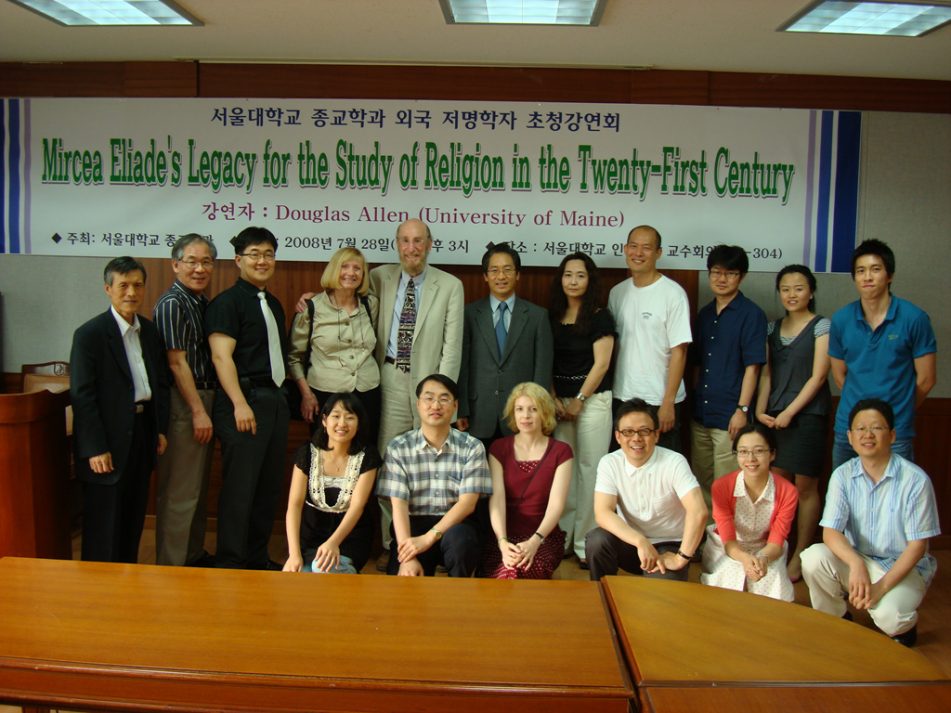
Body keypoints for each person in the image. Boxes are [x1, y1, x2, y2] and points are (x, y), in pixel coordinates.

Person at [801, 399, 941, 647]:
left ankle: (904, 627)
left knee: (892, 617)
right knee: (813, 558)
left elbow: (918, 546)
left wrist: (880, 587)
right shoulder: (843, 475)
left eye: (876, 428)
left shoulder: (915, 480)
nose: (868, 435)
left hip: (902, 566)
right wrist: (855, 563)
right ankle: (836, 617)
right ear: (850, 437)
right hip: (860, 559)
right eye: (860, 429)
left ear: (892, 435)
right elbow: (831, 532)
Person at [369, 218, 464, 566]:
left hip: (431, 384)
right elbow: (341, 293)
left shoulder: (450, 285)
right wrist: (311, 298)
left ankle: (432, 541)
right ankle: (392, 543)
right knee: (389, 460)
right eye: (405, 241)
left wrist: (441, 395)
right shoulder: (378, 277)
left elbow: (451, 347)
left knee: (429, 460)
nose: (412, 248)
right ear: (397, 244)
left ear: (430, 244)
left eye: (418, 241)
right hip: (391, 377)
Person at [70, 256, 169, 562]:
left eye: (137, 285)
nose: (131, 292)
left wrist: (160, 429)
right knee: (104, 525)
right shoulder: (90, 335)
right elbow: (83, 396)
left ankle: (127, 585)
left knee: (132, 518)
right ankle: (98, 595)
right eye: (123, 285)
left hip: (141, 435)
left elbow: (160, 385)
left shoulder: (149, 332)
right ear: (108, 289)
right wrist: (95, 447)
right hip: (106, 442)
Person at [206, 226, 289, 570]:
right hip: (244, 401)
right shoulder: (227, 303)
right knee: (240, 488)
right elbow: (221, 357)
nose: (262, 261)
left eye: (268, 254)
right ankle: (231, 561)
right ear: (238, 259)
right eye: (254, 254)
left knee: (267, 487)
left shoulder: (273, 303)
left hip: (275, 401)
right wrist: (240, 403)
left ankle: (256, 557)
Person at [828, 239, 936, 468]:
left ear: (890, 275)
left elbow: (926, 379)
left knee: (895, 500)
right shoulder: (840, 320)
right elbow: (840, 377)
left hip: (894, 429)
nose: (867, 277)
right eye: (860, 271)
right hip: (849, 428)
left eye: (875, 269)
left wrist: (898, 409)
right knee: (846, 497)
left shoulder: (914, 318)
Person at [755, 264, 831, 582]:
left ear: (811, 291)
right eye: (785, 288)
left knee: (806, 487)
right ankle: (779, 548)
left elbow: (819, 375)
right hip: (773, 418)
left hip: (808, 416)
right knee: (779, 486)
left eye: (798, 288)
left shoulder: (821, 326)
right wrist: (760, 411)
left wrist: (791, 412)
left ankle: (800, 553)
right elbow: (767, 373)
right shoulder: (772, 329)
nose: (791, 294)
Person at [375, 374, 491, 577]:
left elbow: (467, 504)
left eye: (444, 399)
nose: (436, 405)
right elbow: (398, 505)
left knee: (461, 543)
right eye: (429, 398)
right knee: (402, 587)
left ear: (455, 406)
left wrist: (429, 538)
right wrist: (407, 557)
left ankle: (458, 599)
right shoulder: (398, 447)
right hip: (413, 527)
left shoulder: (472, 447)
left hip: (456, 526)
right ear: (418, 404)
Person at [586, 399, 707, 582]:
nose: (636, 438)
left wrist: (681, 557)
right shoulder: (609, 463)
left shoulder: (674, 462)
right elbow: (602, 513)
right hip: (633, 543)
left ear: (656, 435)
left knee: (658, 602)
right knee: (597, 541)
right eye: (628, 432)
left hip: (670, 546)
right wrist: (640, 541)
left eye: (644, 431)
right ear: (618, 437)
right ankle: (601, 595)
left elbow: (698, 512)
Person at [153, 233, 217, 568]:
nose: (199, 268)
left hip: (204, 400)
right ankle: (172, 566)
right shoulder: (172, 304)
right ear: (176, 264)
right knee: (179, 491)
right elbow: (176, 363)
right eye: (191, 261)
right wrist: (197, 411)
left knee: (196, 488)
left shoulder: (200, 301)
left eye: (206, 261)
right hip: (185, 402)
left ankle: (191, 556)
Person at [549, 252, 614, 567]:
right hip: (559, 405)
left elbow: (602, 364)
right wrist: (553, 397)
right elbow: (545, 359)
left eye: (580, 275)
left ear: (590, 281)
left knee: (590, 471)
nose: (573, 281)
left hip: (593, 403)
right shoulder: (552, 314)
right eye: (568, 275)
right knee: (565, 473)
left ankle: (585, 543)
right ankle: (560, 539)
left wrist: (580, 399)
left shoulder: (601, 316)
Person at [691, 244, 767, 510]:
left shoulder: (751, 314)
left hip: (730, 415)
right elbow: (697, 364)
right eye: (716, 272)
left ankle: (726, 542)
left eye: (730, 273)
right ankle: (706, 540)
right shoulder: (704, 314)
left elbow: (753, 367)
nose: (721, 279)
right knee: (701, 482)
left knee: (728, 483)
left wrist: (742, 409)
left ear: (742, 276)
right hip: (701, 412)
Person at [457, 242, 553, 444]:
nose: (501, 276)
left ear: (518, 274)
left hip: (522, 416)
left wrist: (538, 410)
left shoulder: (537, 316)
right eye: (494, 270)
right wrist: (462, 409)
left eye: (508, 270)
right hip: (479, 412)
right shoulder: (470, 314)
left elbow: (542, 369)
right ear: (485, 276)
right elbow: (463, 364)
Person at [608, 225, 691, 452]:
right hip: (622, 395)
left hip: (658, 399)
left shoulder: (673, 294)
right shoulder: (617, 293)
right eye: (633, 246)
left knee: (662, 471)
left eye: (646, 248)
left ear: (658, 253)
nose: (638, 253)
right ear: (625, 249)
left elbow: (680, 351)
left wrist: (668, 402)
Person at [288, 246, 380, 442]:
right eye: (344, 266)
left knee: (364, 454)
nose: (350, 273)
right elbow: (294, 358)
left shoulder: (371, 304)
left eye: (357, 268)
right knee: (326, 454)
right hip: (324, 395)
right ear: (333, 270)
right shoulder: (311, 308)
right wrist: (306, 395)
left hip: (367, 392)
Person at [283, 393, 380, 574]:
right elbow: (294, 505)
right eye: (336, 416)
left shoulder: (368, 457)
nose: (342, 423)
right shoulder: (307, 453)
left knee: (323, 571)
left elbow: (357, 507)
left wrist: (333, 543)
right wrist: (294, 553)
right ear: (325, 420)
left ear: (358, 424)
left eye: (350, 417)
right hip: (310, 539)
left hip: (349, 540)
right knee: (294, 580)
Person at [700, 424, 798, 601]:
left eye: (759, 451)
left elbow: (776, 541)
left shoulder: (787, 491)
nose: (751, 458)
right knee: (732, 580)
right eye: (743, 452)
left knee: (771, 582)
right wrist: (745, 559)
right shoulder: (721, 487)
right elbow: (728, 540)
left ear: (772, 454)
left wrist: (761, 559)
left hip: (767, 549)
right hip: (728, 547)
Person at [485, 383, 573, 579]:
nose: (525, 415)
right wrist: (502, 542)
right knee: (507, 573)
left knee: (525, 570)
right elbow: (497, 500)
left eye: (533, 409)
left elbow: (556, 504)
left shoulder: (561, 451)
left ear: (545, 413)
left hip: (543, 536)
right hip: (503, 536)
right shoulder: (499, 448)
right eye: (520, 409)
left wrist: (535, 541)